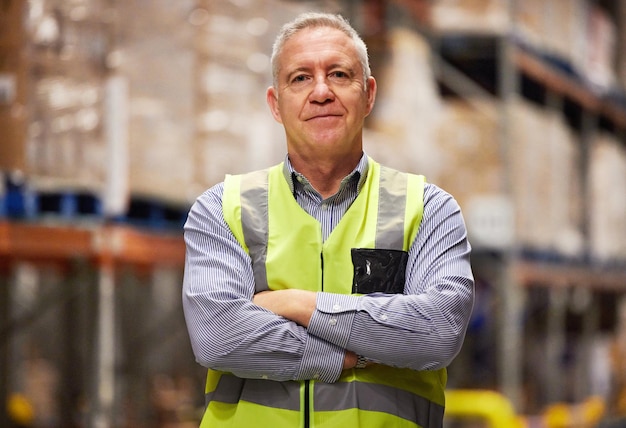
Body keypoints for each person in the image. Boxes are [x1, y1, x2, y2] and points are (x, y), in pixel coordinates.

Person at [182, 11, 474, 428]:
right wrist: (352, 351)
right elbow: (219, 337)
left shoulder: (428, 209)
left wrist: (297, 305)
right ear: (275, 104)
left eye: (339, 74)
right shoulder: (222, 208)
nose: (321, 92)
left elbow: (438, 333)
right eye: (300, 78)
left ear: (369, 94)